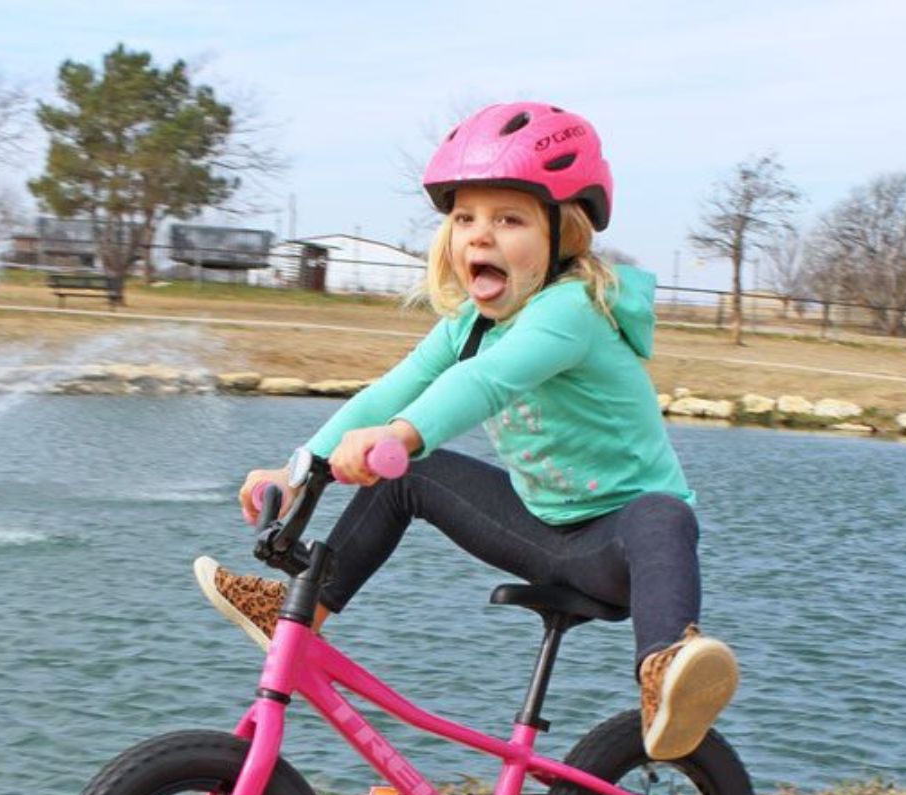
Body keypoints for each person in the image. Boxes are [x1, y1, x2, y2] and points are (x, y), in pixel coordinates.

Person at [195, 101, 738, 761]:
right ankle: (301, 613)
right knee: (411, 480)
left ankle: (667, 671)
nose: (479, 236)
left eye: (509, 219)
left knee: (661, 513)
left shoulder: (570, 312)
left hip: (620, 551)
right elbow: (393, 389)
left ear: (562, 234)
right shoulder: (468, 324)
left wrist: (400, 435)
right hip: (540, 529)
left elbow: (485, 383)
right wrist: (299, 466)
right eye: (464, 218)